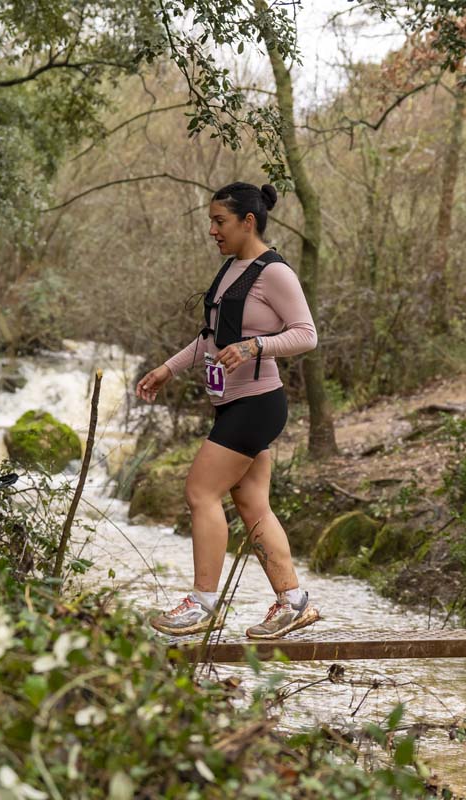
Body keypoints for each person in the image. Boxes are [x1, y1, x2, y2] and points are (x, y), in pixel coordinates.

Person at [134, 181, 321, 640]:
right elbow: (211, 338)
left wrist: (256, 345)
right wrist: (168, 368)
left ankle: (202, 604)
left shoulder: (274, 272)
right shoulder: (232, 269)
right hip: (233, 403)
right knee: (253, 503)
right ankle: (293, 602)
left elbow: (306, 334)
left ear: (248, 222)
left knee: (201, 491)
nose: (212, 230)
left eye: (220, 221)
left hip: (257, 403)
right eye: (211, 222)